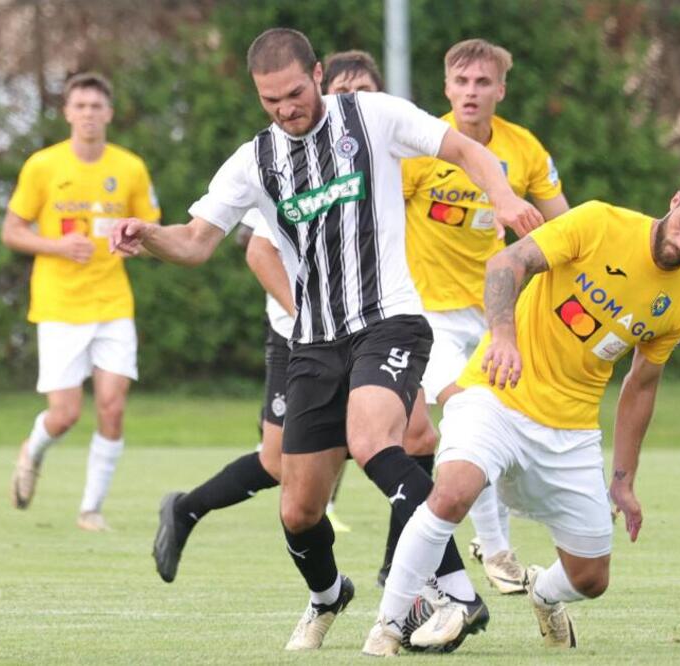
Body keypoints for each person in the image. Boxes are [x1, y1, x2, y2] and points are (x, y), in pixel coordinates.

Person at [111, 28, 542, 654]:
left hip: (388, 319)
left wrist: (502, 197)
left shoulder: (371, 115)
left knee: (376, 441)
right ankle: (327, 596)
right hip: (311, 342)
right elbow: (196, 241)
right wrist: (146, 235)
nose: (285, 110)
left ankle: (453, 590)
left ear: (316, 74)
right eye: (270, 101)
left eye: (292, 94)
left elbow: (462, 150)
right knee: (298, 510)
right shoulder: (253, 161)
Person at [370, 172, 680, 653]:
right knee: (452, 493)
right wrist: (503, 338)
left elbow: (640, 385)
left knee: (591, 577)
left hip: (570, 429)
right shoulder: (597, 221)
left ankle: (545, 596)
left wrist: (624, 480)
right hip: (497, 394)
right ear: (675, 200)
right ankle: (387, 625)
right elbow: (508, 262)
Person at [151, 49, 440, 583]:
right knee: (282, 463)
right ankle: (187, 508)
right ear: (325, 85)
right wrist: (312, 314)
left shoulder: (379, 145)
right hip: (301, 335)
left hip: (369, 324)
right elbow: (257, 251)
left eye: (364, 94)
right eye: (345, 91)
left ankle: (403, 568)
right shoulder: (286, 161)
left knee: (413, 436)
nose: (355, 103)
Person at [388, 38, 571, 594]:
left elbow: (562, 230)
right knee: (469, 410)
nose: (471, 92)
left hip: (500, 319)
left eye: (483, 83)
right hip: (429, 317)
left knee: (496, 424)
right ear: (446, 88)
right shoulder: (422, 147)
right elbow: (381, 226)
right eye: (461, 82)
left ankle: (487, 544)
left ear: (501, 90)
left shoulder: (527, 150)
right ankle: (496, 551)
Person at [3, 73, 160, 532]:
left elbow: (152, 233)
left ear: (109, 113)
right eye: (81, 106)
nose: (89, 113)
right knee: (66, 413)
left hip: (112, 304)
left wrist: (138, 242)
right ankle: (32, 450)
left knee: (112, 406)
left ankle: (90, 509)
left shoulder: (129, 168)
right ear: (67, 112)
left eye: (97, 106)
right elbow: (12, 230)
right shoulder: (43, 166)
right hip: (59, 306)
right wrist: (57, 247)